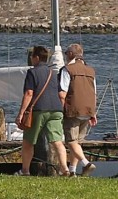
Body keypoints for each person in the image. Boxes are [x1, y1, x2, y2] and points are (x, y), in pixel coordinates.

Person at [15, 44, 70, 176]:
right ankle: (65, 169)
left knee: (28, 142)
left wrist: (21, 113)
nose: (31, 59)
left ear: (37, 58)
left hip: (39, 109)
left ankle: (25, 170)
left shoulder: (32, 72)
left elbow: (29, 93)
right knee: (57, 141)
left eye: (32, 56)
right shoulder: (53, 73)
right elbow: (59, 92)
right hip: (56, 109)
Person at [61, 43, 98, 176]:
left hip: (73, 110)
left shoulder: (67, 69)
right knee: (77, 143)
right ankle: (72, 171)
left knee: (70, 141)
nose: (65, 56)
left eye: (66, 53)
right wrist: (93, 113)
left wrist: (61, 111)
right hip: (88, 110)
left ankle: (86, 163)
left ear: (71, 54)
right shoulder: (91, 71)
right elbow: (94, 92)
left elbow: (62, 93)